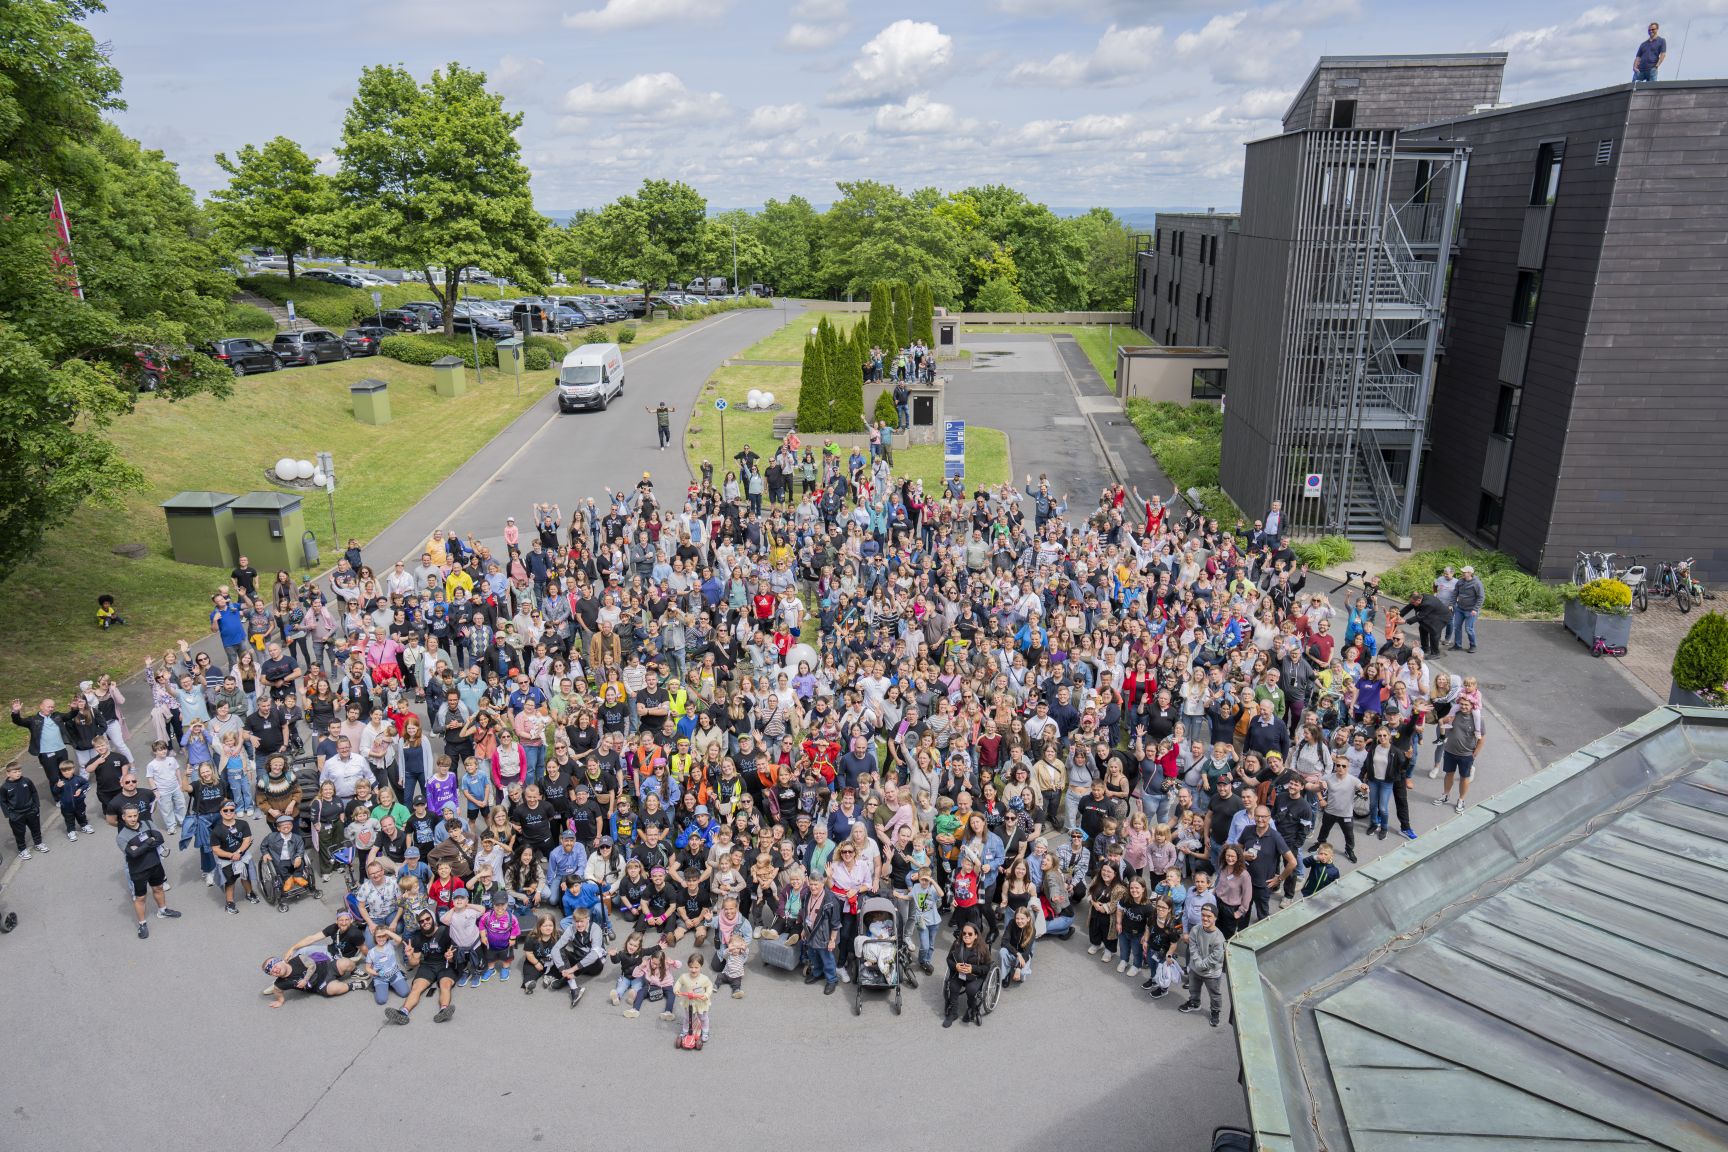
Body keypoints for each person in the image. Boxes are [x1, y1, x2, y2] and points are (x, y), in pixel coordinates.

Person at [116, 805, 180, 938]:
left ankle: (163, 911)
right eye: (129, 816)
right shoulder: (121, 836)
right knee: (140, 897)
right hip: (138, 871)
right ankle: (142, 924)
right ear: (123, 817)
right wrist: (150, 840)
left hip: (155, 865)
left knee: (158, 888)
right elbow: (133, 854)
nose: (133, 819)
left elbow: (160, 839)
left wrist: (140, 846)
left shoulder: (147, 823)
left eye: (135, 815)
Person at [1177, 903, 1226, 1026]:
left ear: (1215, 918)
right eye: (1203, 915)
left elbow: (1215, 958)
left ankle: (1215, 1011)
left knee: (1214, 995)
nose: (1205, 918)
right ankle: (1194, 1003)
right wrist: (1197, 964)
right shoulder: (1195, 930)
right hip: (1195, 969)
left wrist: (1200, 965)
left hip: (1211, 973)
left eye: (1209, 916)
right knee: (1193, 989)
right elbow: (1192, 947)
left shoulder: (1219, 938)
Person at [1436, 695, 1485, 813]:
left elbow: (1482, 738)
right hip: (1449, 751)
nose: (1463, 706)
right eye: (1462, 704)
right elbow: (1442, 721)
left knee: (1464, 778)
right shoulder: (1454, 714)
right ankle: (1445, 795)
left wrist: (1476, 752)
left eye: (1466, 705)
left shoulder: (1477, 719)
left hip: (1466, 754)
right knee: (1449, 774)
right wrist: (1443, 721)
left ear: (1472, 706)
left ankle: (1461, 800)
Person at [942, 921, 991, 1028]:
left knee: (971, 990)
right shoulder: (957, 944)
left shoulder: (982, 949)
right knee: (953, 987)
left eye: (970, 934)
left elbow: (987, 967)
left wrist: (972, 968)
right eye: (964, 933)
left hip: (975, 975)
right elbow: (949, 959)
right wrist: (956, 966)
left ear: (976, 936)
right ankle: (953, 1013)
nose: (966, 936)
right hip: (959, 974)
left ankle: (972, 1009)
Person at [673, 952, 715, 1048]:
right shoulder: (684, 977)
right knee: (687, 1018)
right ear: (688, 966)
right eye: (691, 967)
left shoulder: (704, 979)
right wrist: (676, 989)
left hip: (701, 1002)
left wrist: (707, 994)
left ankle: (705, 1031)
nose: (693, 970)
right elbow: (679, 982)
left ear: (701, 966)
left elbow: (709, 986)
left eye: (696, 967)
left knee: (703, 1018)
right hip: (689, 1002)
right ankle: (684, 1031)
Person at [1449, 565, 1484, 653]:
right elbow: (1455, 593)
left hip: (1471, 610)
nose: (1462, 573)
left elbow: (1481, 597)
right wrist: (1452, 604)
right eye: (1462, 572)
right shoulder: (1460, 581)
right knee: (1457, 627)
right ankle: (1457, 645)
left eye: (1464, 572)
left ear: (1470, 573)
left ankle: (1473, 646)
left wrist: (1475, 609)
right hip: (1459, 609)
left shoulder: (1477, 583)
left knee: (1468, 629)